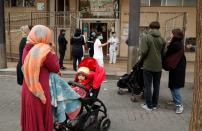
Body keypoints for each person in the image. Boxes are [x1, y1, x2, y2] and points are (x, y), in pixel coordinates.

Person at [21, 25, 60, 131]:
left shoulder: (27, 47)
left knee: (31, 116)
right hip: (40, 88)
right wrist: (52, 50)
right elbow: (56, 67)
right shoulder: (44, 50)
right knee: (40, 114)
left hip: (28, 86)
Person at [139, 21, 166, 111]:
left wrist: (141, 61)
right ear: (158, 28)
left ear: (150, 28)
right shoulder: (162, 39)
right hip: (158, 66)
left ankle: (149, 105)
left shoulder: (146, 37)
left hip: (148, 65)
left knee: (147, 86)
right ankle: (154, 104)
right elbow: (164, 53)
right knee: (156, 86)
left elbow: (143, 51)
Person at [165, 29, 186, 114]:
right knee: (173, 85)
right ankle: (174, 100)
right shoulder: (178, 43)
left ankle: (179, 105)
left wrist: (168, 43)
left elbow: (167, 52)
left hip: (177, 67)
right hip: (176, 66)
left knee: (175, 86)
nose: (171, 35)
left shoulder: (176, 44)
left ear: (176, 35)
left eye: (172, 33)